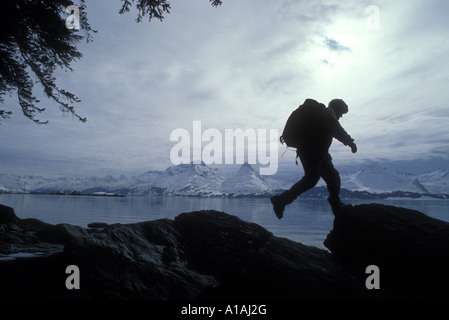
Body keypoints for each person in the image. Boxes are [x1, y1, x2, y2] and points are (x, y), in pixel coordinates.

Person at [271, 99, 357, 219]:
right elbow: (336, 129)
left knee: (332, 177)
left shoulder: (324, 113)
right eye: (342, 113)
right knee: (311, 179)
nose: (341, 116)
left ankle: (336, 205)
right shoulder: (328, 113)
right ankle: (280, 201)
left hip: (318, 152)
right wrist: (350, 142)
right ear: (337, 108)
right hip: (310, 151)